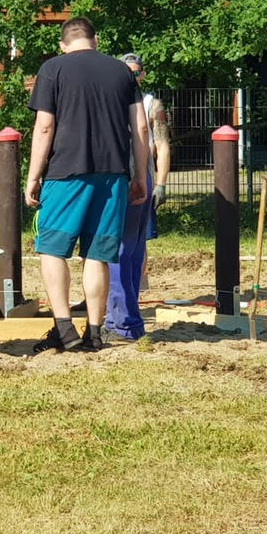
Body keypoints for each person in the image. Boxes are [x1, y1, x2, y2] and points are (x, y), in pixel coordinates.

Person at [25, 17, 149, 352]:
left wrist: (33, 175)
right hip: (113, 175)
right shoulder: (122, 71)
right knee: (97, 254)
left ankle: (65, 330)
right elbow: (140, 128)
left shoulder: (53, 69)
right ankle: (94, 333)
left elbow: (45, 127)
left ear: (62, 44)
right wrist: (139, 176)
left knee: (52, 249)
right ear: (96, 40)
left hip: (66, 173)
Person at [102, 52, 171, 341]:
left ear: (142, 74)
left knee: (125, 250)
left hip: (133, 180)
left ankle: (122, 321)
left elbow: (161, 144)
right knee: (128, 250)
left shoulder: (151, 103)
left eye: (136, 71)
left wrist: (161, 183)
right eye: (127, 70)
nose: (131, 75)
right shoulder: (114, 98)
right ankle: (126, 317)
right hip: (128, 178)